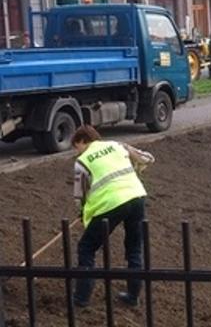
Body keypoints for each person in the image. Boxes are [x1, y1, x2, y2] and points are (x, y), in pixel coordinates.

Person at [71, 125, 154, 308]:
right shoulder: (118, 145)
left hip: (110, 205)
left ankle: (81, 297)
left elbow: (79, 195)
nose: (76, 151)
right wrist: (133, 157)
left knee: (86, 247)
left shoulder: (82, 161)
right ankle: (133, 296)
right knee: (134, 248)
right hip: (137, 197)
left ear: (82, 141)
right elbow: (148, 158)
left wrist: (82, 210)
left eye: (76, 146)